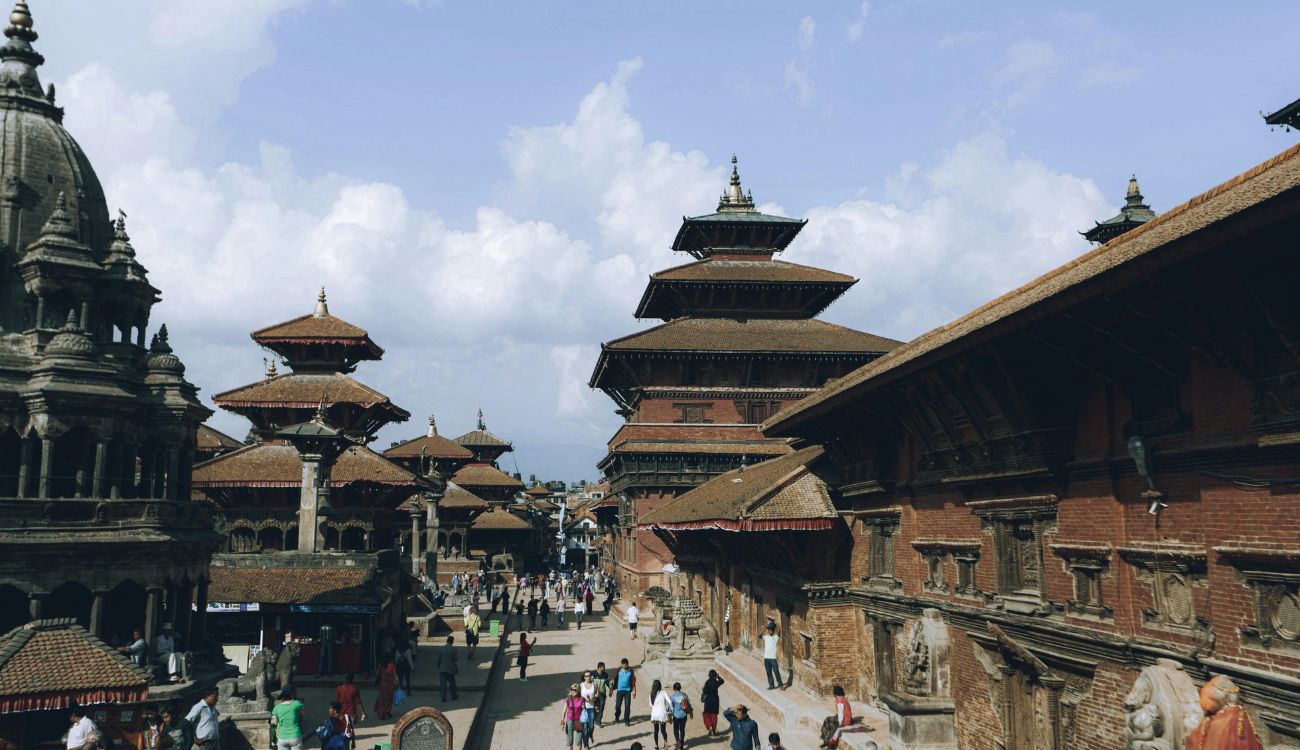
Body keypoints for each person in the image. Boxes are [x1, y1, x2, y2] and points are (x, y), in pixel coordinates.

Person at [269, 684, 305, 750]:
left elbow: (274, 723)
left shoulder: (277, 707)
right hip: (295, 736)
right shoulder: (297, 704)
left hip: (282, 738)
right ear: (292, 693)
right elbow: (303, 714)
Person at [648, 679, 672, 750]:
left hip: (654, 714)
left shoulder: (651, 693)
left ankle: (656, 745)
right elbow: (669, 702)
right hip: (661, 714)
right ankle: (665, 742)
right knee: (663, 730)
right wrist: (669, 710)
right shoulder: (663, 692)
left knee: (656, 730)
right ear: (660, 686)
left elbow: (650, 704)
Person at [701, 669, 725, 736]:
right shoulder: (716, 682)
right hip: (715, 700)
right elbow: (722, 681)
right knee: (714, 715)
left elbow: (704, 691)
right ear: (715, 676)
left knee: (706, 714)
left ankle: (709, 726)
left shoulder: (707, 682)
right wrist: (718, 677)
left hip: (708, 700)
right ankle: (713, 730)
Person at [561, 684, 585, 750]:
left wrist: (583, 707)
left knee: (578, 741)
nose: (573, 691)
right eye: (571, 689)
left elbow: (584, 711)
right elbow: (564, 711)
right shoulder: (568, 699)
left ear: (578, 690)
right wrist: (562, 723)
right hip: (570, 722)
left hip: (579, 721)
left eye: (575, 690)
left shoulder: (582, 699)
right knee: (570, 741)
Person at [613, 658, 636, 726]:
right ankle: (617, 717)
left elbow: (633, 681)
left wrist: (634, 691)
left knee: (627, 706)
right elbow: (614, 678)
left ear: (628, 664)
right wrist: (612, 688)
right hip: (619, 690)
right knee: (618, 706)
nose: (625, 666)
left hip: (627, 691)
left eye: (626, 665)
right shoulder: (618, 670)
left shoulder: (630, 671)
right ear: (621, 665)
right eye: (623, 665)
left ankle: (627, 721)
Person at [669, 681, 692, 750]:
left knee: (675, 730)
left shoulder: (672, 697)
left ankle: (677, 741)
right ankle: (681, 745)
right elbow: (688, 704)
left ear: (674, 689)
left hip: (676, 716)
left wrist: (669, 716)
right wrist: (691, 712)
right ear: (680, 688)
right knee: (682, 730)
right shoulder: (684, 695)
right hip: (684, 715)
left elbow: (670, 708)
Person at [436, 635, 460, 702]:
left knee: (442, 684)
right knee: (452, 683)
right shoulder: (454, 649)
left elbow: (439, 659)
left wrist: (437, 666)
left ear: (447, 641)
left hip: (442, 669)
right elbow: (455, 659)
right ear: (452, 641)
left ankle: (443, 697)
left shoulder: (441, 649)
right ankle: (453, 695)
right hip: (450, 669)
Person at [579, 671, 598, 748]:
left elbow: (597, 693)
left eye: (589, 675)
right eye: (586, 676)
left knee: (591, 726)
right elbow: (577, 695)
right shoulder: (581, 685)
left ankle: (590, 734)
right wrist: (583, 699)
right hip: (583, 708)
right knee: (584, 728)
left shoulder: (594, 684)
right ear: (584, 677)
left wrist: (594, 697)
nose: (588, 677)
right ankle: (586, 745)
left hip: (591, 707)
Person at [760, 622, 781, 690]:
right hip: (766, 658)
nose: (770, 631)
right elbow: (759, 636)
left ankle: (780, 684)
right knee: (768, 672)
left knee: (776, 671)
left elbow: (779, 631)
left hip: (773, 658)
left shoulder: (775, 637)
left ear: (773, 630)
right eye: (769, 630)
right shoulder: (766, 637)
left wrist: (776, 626)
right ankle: (771, 685)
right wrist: (765, 629)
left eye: (771, 630)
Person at [592, 662, 612, 728]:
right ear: (599, 668)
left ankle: (598, 721)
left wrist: (611, 689)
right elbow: (589, 682)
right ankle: (593, 719)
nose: (604, 668)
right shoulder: (593, 674)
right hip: (594, 694)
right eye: (603, 667)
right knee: (594, 707)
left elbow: (608, 682)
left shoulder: (605, 674)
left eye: (604, 667)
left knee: (601, 706)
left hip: (602, 694)